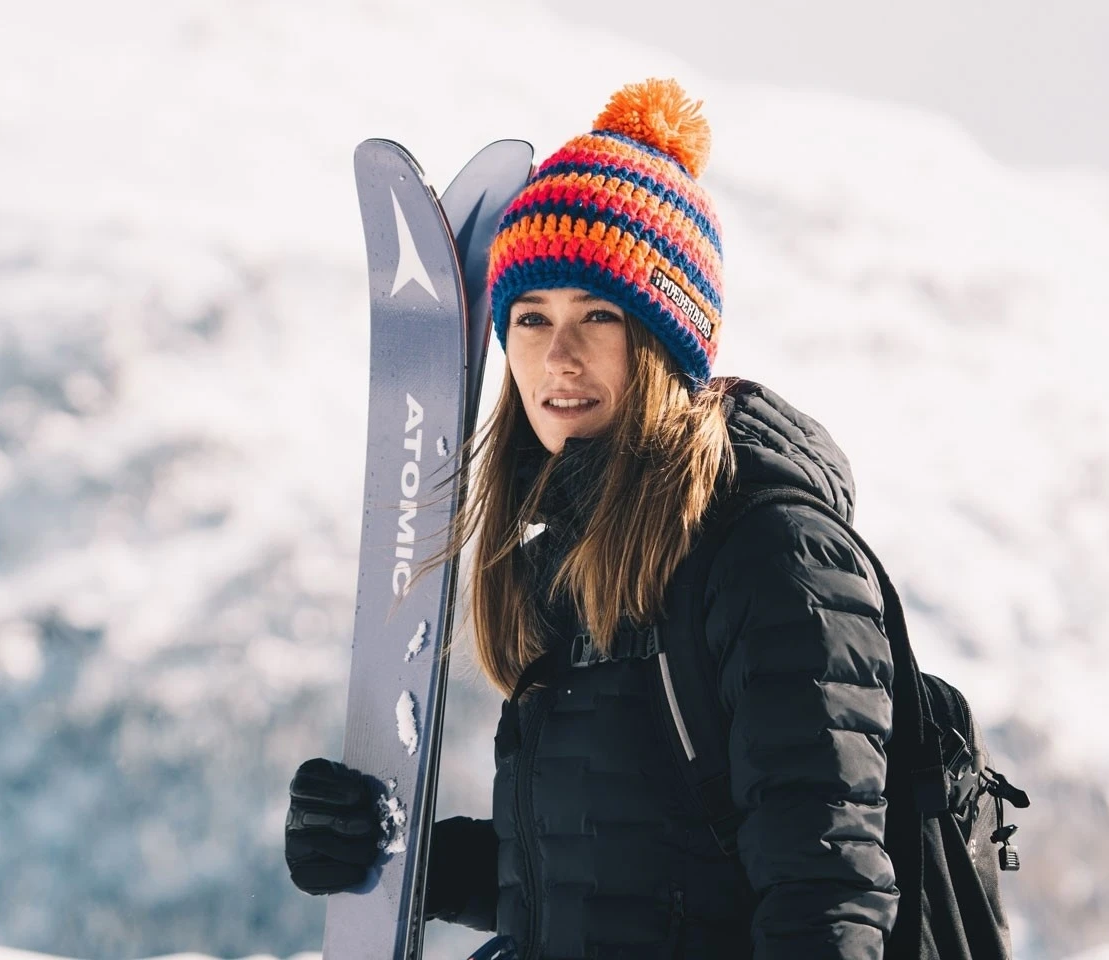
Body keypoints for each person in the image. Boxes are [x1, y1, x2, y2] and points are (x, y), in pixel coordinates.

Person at [286, 78, 899, 959]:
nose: (557, 356)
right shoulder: (564, 557)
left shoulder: (771, 553)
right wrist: (392, 850)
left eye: (598, 316)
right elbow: (605, 871)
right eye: (530, 319)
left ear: (663, 342)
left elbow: (827, 898)